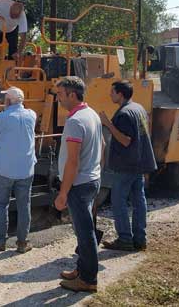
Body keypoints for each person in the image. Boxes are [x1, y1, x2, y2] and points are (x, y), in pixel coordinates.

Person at [54, 76, 103, 293]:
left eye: (60, 95)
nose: (58, 99)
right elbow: (101, 144)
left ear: (72, 95)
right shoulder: (91, 114)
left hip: (79, 185)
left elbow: (72, 161)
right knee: (85, 230)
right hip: (92, 179)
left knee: (85, 234)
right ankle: (81, 270)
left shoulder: (75, 121)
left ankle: (88, 280)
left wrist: (63, 193)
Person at [99, 80, 157, 252]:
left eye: (112, 92)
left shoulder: (124, 114)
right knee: (139, 200)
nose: (110, 95)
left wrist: (107, 124)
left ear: (120, 94)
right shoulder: (138, 108)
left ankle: (124, 239)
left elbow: (125, 140)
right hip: (139, 163)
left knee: (119, 202)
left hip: (126, 165)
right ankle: (140, 239)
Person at [0, 87, 37, 253]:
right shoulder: (32, 115)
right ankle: (22, 243)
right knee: (24, 206)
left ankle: (0, 241)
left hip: (4, 169)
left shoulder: (1, 118)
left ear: (8, 101)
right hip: (26, 169)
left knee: (0, 205)